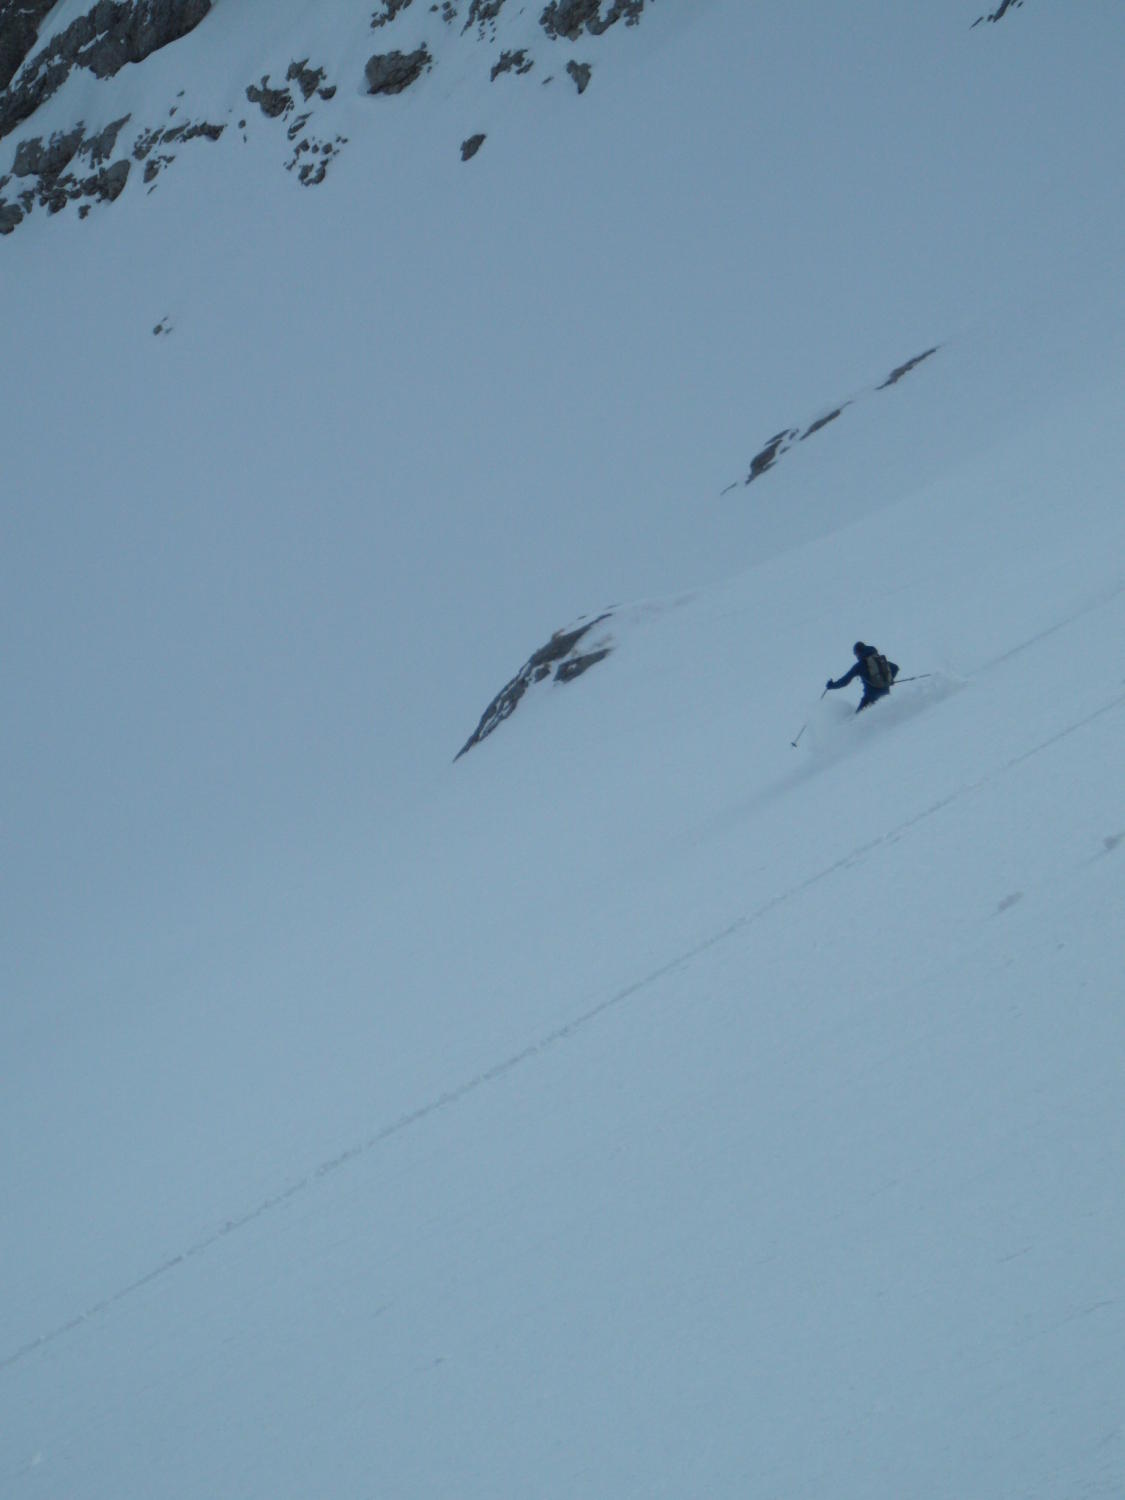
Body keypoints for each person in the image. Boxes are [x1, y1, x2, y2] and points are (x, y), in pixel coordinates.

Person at [826, 641, 899, 712]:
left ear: (858, 653)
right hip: (885, 694)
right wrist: (889, 680)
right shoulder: (878, 659)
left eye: (855, 654)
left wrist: (832, 685)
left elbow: (845, 681)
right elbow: (895, 668)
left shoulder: (860, 665)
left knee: (856, 719)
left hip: (870, 698)